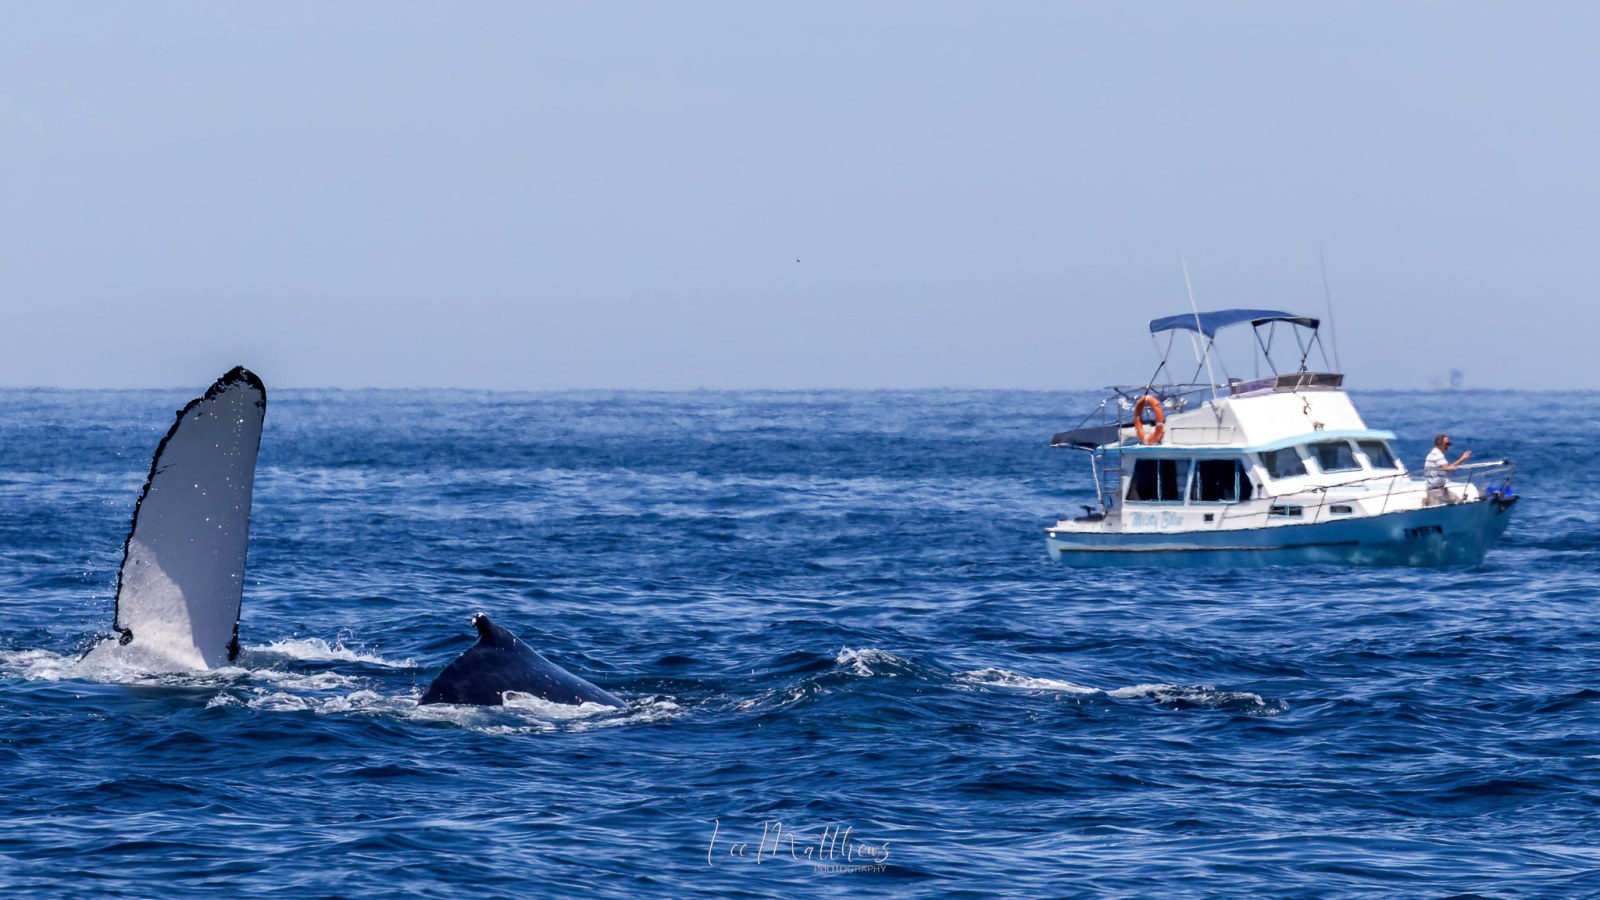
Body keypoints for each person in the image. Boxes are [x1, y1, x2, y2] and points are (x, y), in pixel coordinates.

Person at [1424, 434, 1471, 505]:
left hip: (1439, 489)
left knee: (1458, 501)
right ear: (1440, 444)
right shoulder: (1438, 454)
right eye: (1447, 444)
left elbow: (1447, 467)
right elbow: (1448, 469)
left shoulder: (1433, 453)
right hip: (1436, 492)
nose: (1448, 446)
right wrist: (1462, 459)